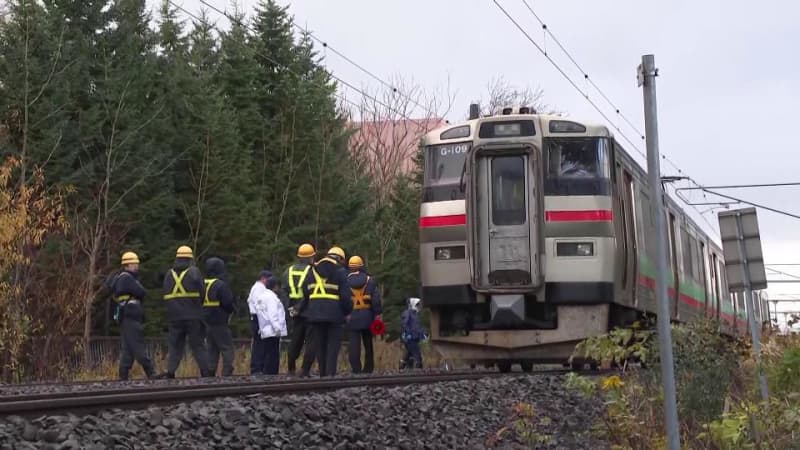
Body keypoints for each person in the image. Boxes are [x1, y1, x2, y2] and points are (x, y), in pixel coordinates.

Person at [297, 246, 352, 377]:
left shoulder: (312, 271)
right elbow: (345, 296)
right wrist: (347, 312)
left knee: (320, 345)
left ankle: (322, 375)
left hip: (315, 314)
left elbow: (305, 292)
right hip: (335, 314)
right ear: (339, 259)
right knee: (333, 346)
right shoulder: (340, 271)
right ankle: (330, 375)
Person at [161, 245, 211, 378]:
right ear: (190, 258)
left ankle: (170, 372)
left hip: (174, 317)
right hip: (193, 315)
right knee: (197, 345)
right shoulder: (194, 272)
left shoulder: (168, 274)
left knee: (175, 346)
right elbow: (202, 292)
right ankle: (206, 373)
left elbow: (165, 293)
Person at [111, 251, 156, 380]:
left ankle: (123, 375)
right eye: (134, 264)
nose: (136, 266)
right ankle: (151, 371)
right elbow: (141, 292)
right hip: (130, 315)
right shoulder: (127, 278)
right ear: (127, 265)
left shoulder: (120, 277)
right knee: (137, 344)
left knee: (128, 348)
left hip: (126, 315)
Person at [281, 243, 316, 376]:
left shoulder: (287, 271)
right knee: (311, 340)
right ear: (311, 257)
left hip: (294, 311)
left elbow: (284, 293)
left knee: (296, 339)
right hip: (309, 310)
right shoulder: (313, 271)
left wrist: (290, 309)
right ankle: (305, 370)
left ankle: (291, 368)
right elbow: (311, 292)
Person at [346, 255, 382, 374]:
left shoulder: (345, 281)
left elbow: (343, 299)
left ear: (350, 267)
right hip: (367, 316)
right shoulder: (369, 280)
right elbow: (375, 299)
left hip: (352, 316)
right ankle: (368, 368)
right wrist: (377, 313)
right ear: (361, 266)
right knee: (368, 344)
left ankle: (356, 368)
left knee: (354, 344)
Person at [248, 270, 287, 374]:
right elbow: (271, 312)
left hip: (262, 322)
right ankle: (260, 369)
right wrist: (277, 328)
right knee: (265, 348)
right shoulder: (261, 290)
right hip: (264, 322)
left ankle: (261, 369)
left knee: (264, 347)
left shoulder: (260, 290)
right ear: (264, 278)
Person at [202, 257, 235, 377]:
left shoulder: (202, 283)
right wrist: (231, 310)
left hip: (206, 320)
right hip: (220, 320)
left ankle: (210, 372)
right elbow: (228, 302)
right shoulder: (220, 285)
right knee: (226, 347)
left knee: (211, 348)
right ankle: (227, 371)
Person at [400, 297, 427, 370]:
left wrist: (423, 334)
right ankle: (419, 370)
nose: (419, 306)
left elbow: (418, 327)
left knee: (409, 354)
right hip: (410, 338)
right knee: (417, 355)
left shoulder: (416, 314)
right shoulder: (408, 313)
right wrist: (408, 333)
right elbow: (404, 324)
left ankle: (402, 367)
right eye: (417, 305)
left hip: (415, 338)